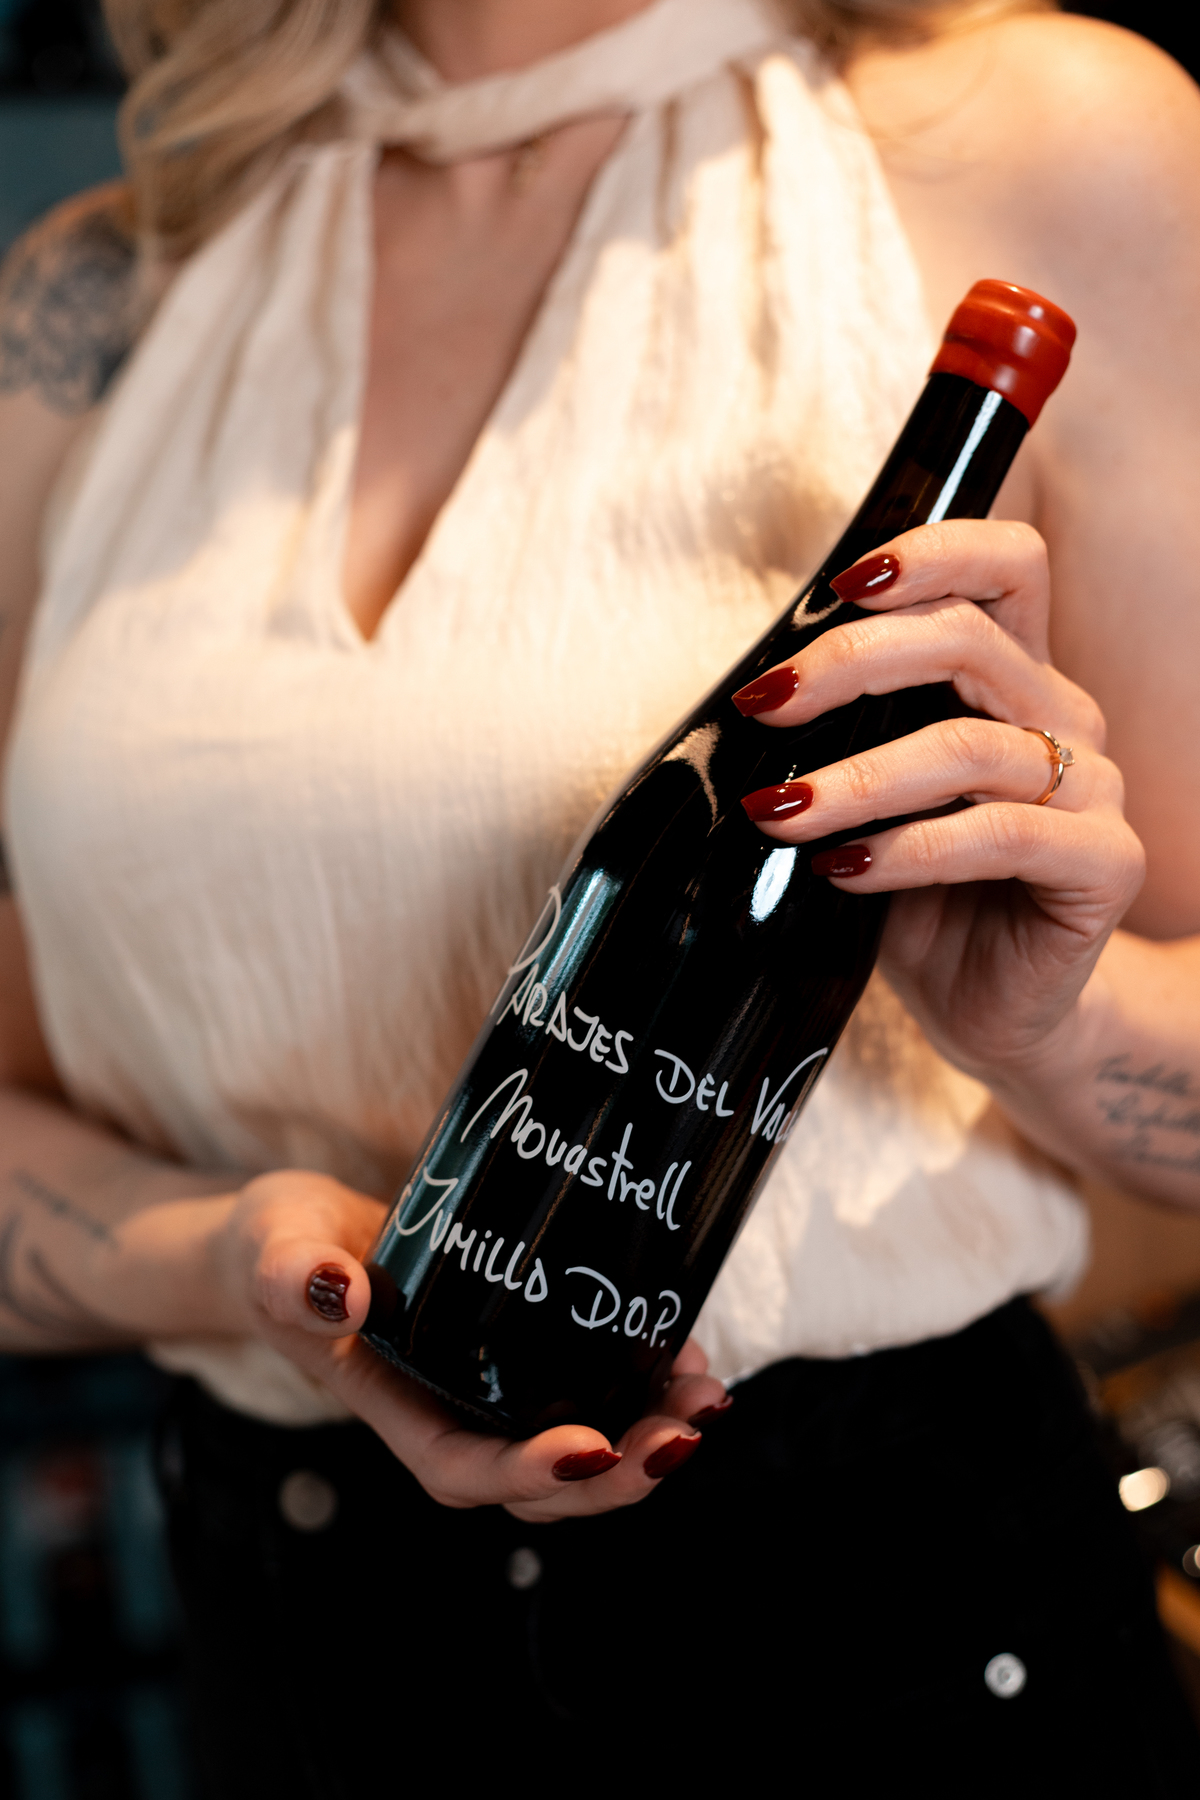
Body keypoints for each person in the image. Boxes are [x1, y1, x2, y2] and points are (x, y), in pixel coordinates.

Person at [2, 0, 1199, 1787]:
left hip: (883, 1643)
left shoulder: (1043, 136)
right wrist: (232, 1254)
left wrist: (1051, 1024)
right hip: (298, 1647)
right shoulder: (99, 296)